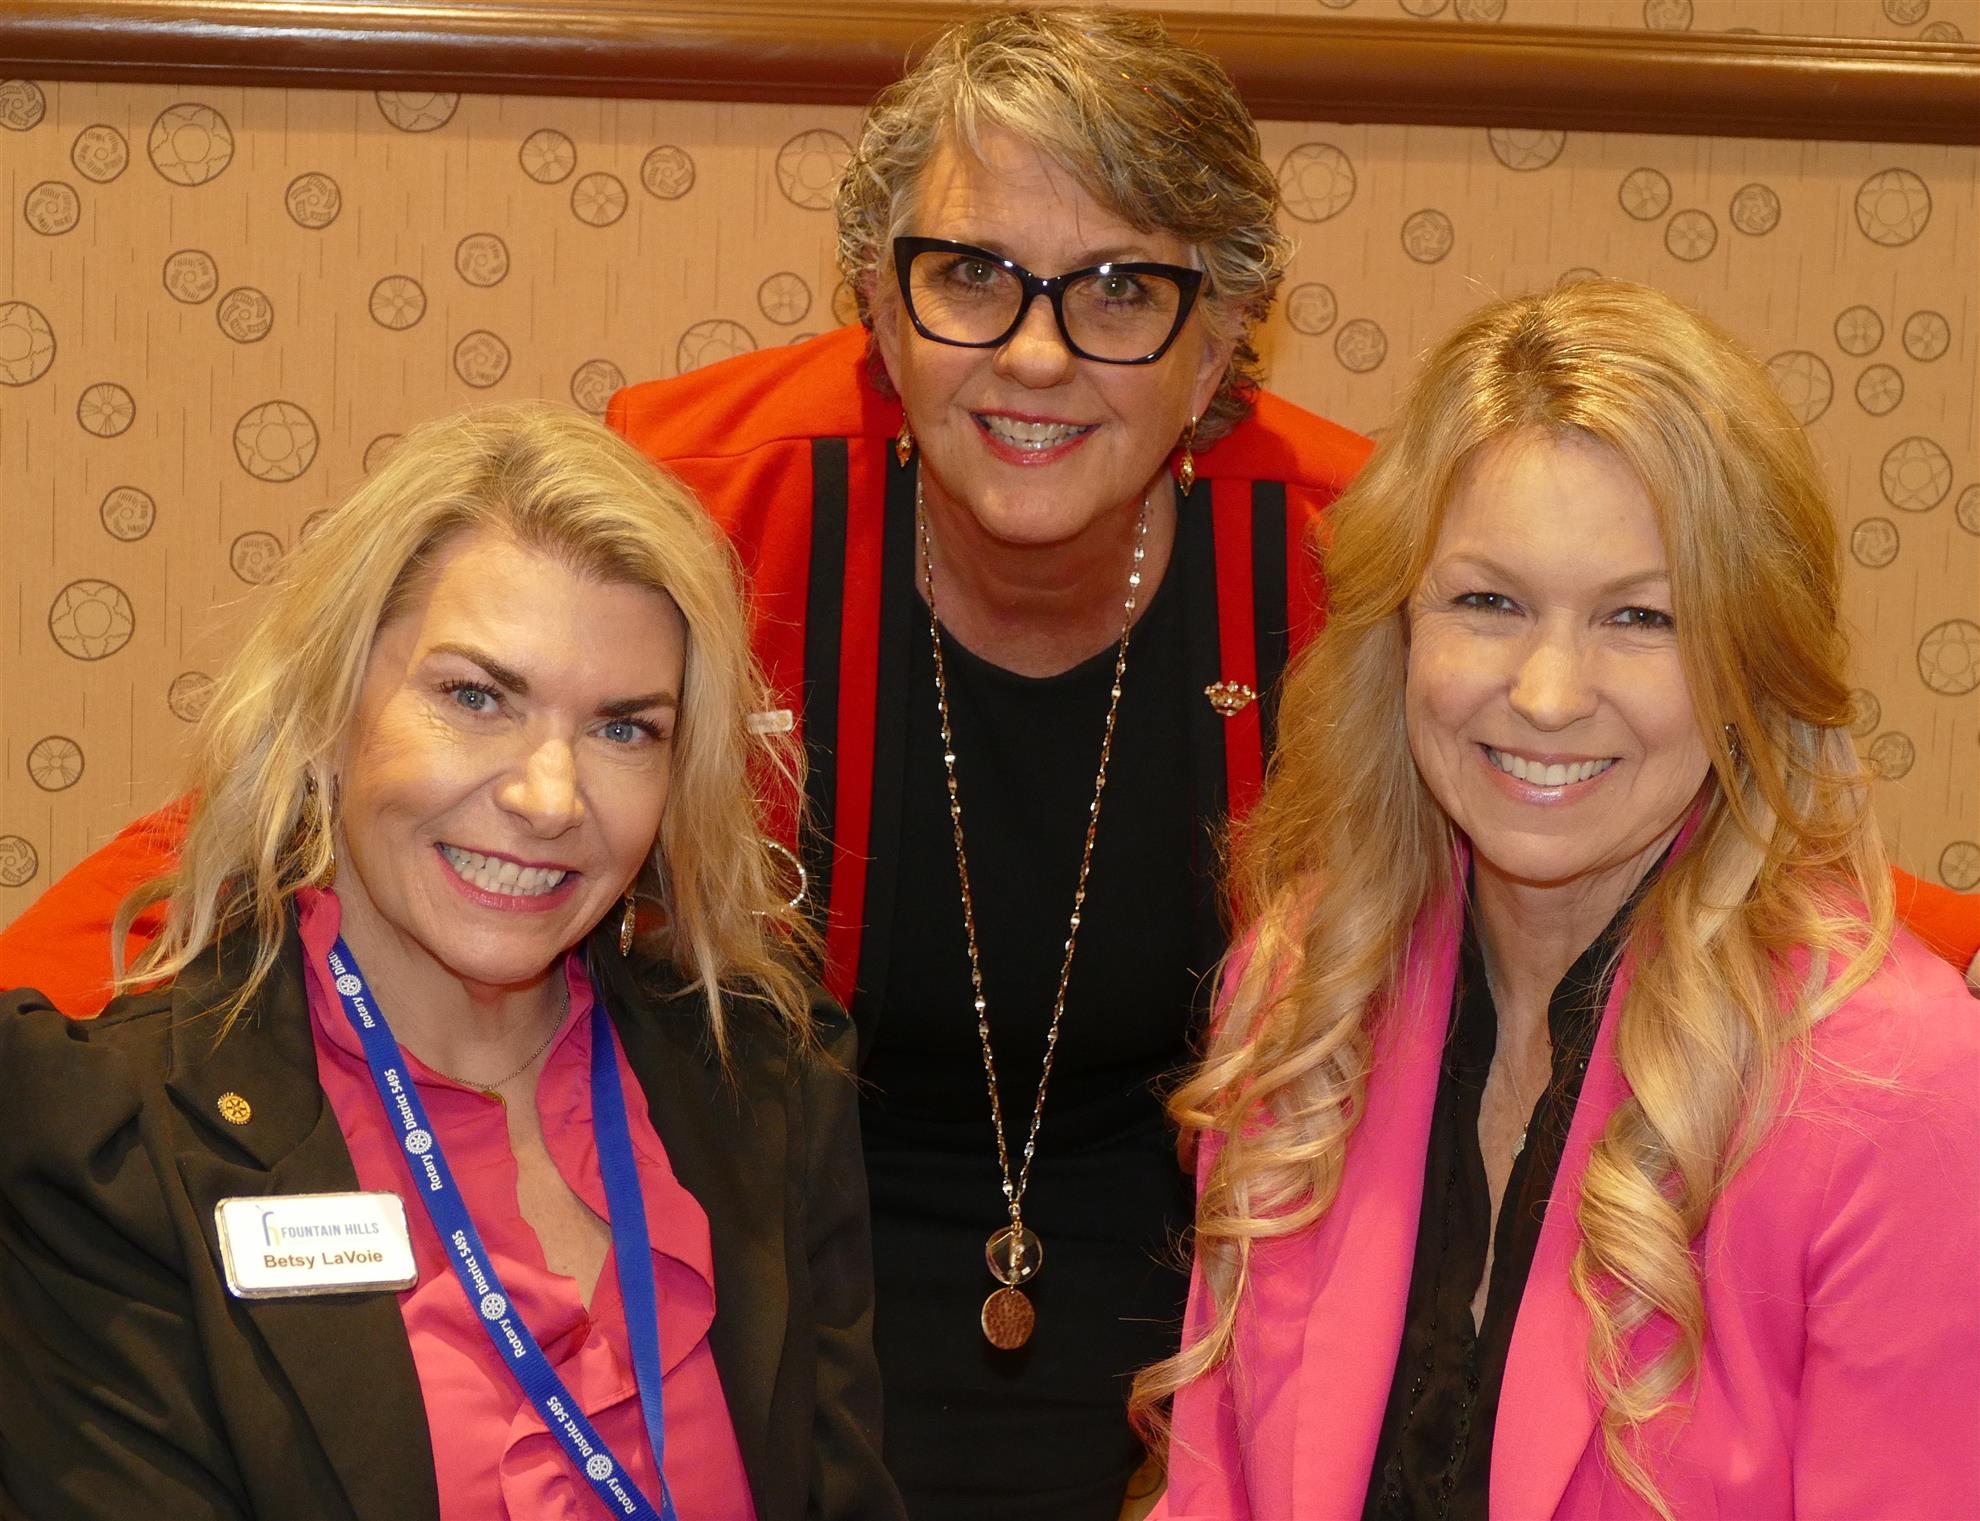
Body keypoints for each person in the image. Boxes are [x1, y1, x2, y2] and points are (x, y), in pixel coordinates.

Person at [1, 11, 1974, 1517]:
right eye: (969, 275)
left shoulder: (1362, 561)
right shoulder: (716, 508)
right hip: (794, 1329)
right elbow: (318, 801)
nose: (1037, 354)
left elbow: (1670, 789)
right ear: (879, 301)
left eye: (1123, 289)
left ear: (1226, 335)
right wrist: (66, 1086)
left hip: (1189, 1331)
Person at [1137, 281, 1980, 1520]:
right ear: (1397, 631)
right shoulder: (1306, 984)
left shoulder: (1898, 1086)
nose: (1545, 694)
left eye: (1641, 617)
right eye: (1489, 602)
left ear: (1750, 664)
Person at [0, 406, 905, 1521]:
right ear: (326, 715)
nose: (549, 797)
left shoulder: (762, 1085)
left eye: (624, 728)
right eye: (475, 698)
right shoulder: (116, 1143)